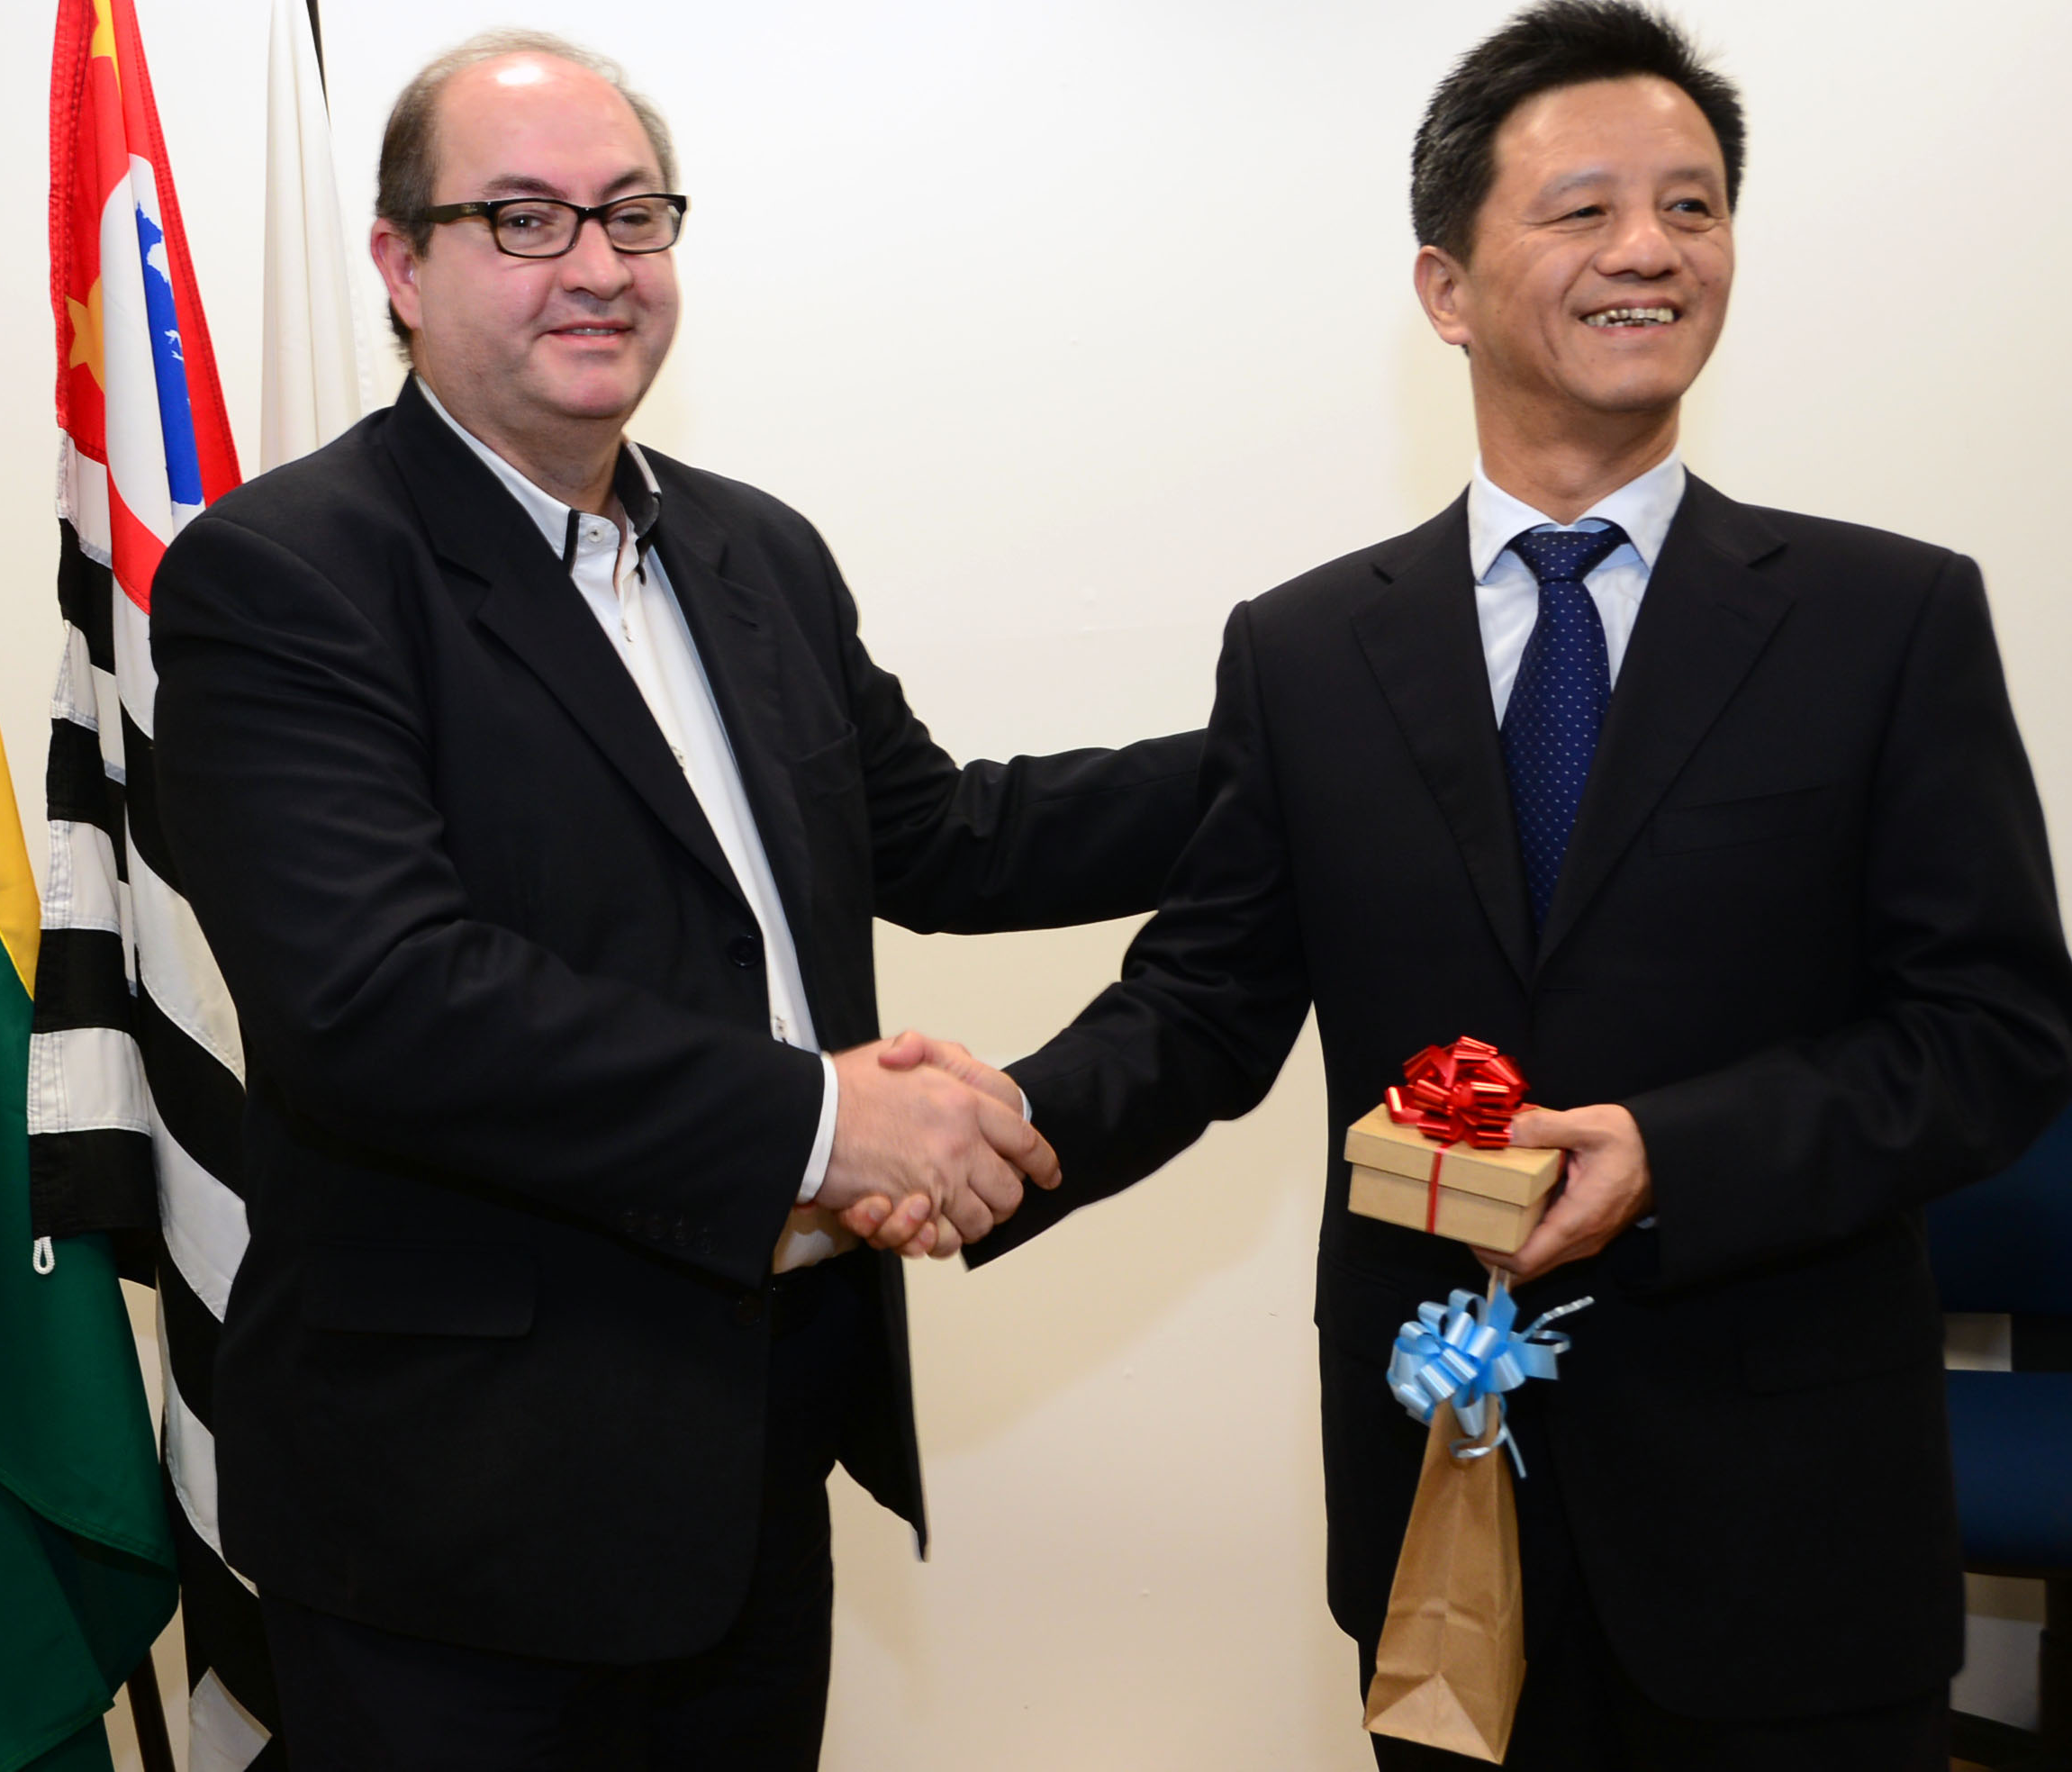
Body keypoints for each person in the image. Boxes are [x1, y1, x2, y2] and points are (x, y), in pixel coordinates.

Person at [879, 4, 2072, 1765]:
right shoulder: (1305, 651)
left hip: (1787, 1505)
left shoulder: (1886, 621)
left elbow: (1988, 1035)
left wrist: (1671, 1155)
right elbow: (1203, 1006)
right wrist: (990, 1136)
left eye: (1690, 205)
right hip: (1440, 1482)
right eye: (1583, 208)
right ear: (1444, 287)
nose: (1648, 248)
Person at [149, 30, 1202, 1770]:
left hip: (750, 1457)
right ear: (401, 265)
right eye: (524, 218)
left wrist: (1296, 738)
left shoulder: (754, 551)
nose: (597, 266)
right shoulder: (286, 575)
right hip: (455, 1520)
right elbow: (380, 1002)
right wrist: (824, 1124)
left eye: (633, 215)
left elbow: (947, 837)